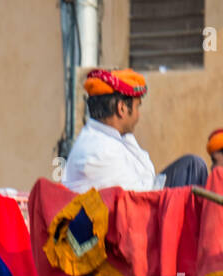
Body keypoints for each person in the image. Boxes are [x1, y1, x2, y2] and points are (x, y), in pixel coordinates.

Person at [64, 68, 208, 192]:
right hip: (133, 216)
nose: (138, 115)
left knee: (191, 166)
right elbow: (138, 201)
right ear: (122, 108)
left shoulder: (110, 137)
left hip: (141, 203)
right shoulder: (99, 151)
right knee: (194, 171)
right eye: (137, 106)